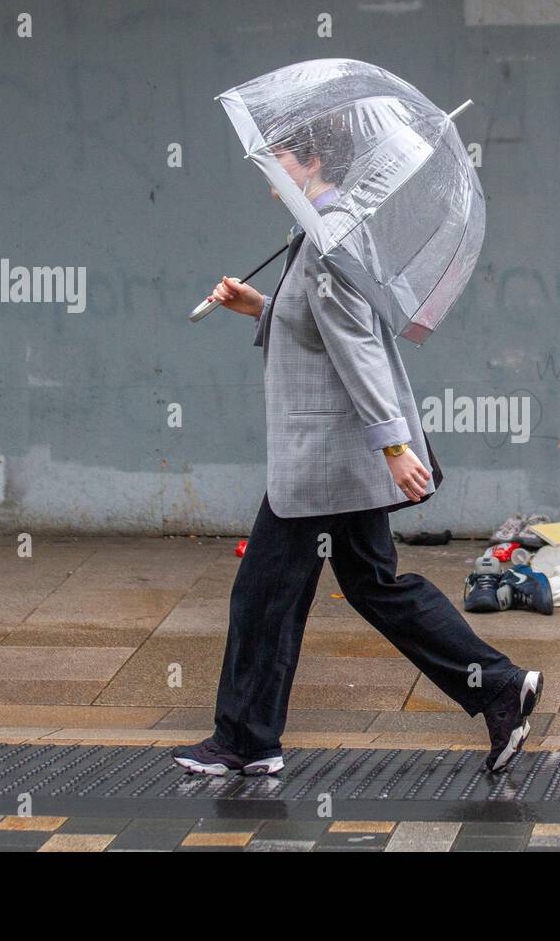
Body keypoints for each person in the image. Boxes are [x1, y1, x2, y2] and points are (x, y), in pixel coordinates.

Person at [171, 113, 541, 777]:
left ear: (312, 163)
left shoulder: (329, 240)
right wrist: (261, 307)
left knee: (262, 595)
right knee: (374, 585)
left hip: (325, 458)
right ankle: (500, 687)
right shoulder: (322, 235)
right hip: (342, 459)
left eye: (279, 159)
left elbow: (360, 348)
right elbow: (322, 327)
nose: (269, 172)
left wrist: (395, 447)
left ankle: (245, 740)